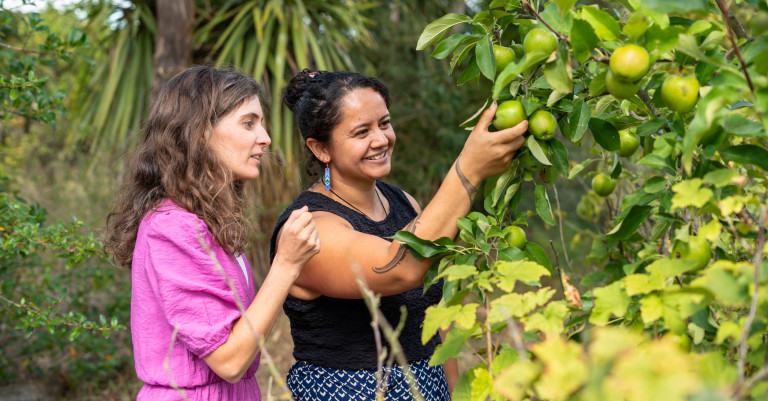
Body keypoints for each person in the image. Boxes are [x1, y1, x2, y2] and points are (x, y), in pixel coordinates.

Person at [270, 70, 528, 400]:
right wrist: (470, 168)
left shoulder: (404, 203)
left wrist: (453, 392)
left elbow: (434, 319)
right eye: (361, 131)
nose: (380, 139)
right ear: (321, 149)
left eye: (384, 123)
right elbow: (401, 267)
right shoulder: (310, 227)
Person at [104, 66, 320, 401]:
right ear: (199, 132)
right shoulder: (173, 228)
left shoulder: (202, 219)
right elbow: (230, 360)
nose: (265, 138)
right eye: (248, 123)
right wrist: (287, 265)